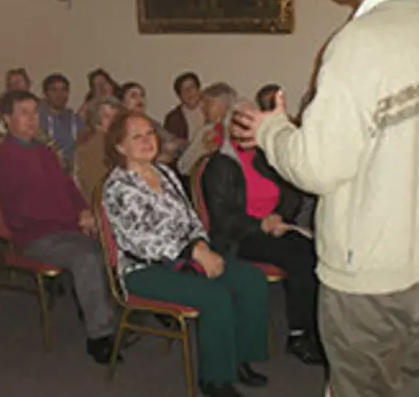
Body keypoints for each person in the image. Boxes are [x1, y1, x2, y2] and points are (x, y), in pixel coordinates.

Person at [232, 0, 419, 395]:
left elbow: (316, 168)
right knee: (407, 385)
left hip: (370, 265)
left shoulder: (359, 43)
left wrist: (271, 130)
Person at [102, 110, 270, 397]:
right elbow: (141, 243)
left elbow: (192, 218)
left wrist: (201, 246)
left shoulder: (165, 173)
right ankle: (214, 380)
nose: (147, 141)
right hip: (144, 270)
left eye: (150, 134)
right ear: (120, 147)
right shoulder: (118, 187)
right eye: (137, 136)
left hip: (188, 255)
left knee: (251, 280)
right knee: (214, 296)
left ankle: (239, 358)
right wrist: (192, 252)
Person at [0, 90, 119, 365]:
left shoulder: (43, 151)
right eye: (24, 113)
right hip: (35, 236)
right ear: (6, 119)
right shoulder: (4, 158)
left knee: (113, 242)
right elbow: (25, 212)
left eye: (35, 113)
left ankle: (103, 306)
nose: (32, 119)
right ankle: (100, 336)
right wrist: (76, 221)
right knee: (87, 257)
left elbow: (68, 189)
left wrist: (86, 211)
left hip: (63, 228)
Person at [201, 101, 324, 366]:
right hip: (240, 237)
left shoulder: (264, 157)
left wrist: (279, 217)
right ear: (229, 128)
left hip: (273, 227)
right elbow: (224, 220)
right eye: (240, 123)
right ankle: (299, 335)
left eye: (250, 122)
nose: (246, 129)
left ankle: (316, 328)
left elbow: (289, 191)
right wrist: (261, 225)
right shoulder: (220, 166)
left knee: (319, 252)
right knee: (302, 258)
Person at [176, 82, 234, 176]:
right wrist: (203, 150)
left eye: (208, 103)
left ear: (224, 105)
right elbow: (182, 167)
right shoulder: (204, 132)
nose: (202, 108)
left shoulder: (241, 131)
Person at [73, 96, 123, 201]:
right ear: (96, 121)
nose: (114, 121)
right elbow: (97, 187)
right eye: (107, 116)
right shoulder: (91, 150)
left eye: (116, 116)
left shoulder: (120, 143)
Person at [38, 73, 85, 166]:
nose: (59, 94)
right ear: (45, 93)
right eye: (54, 90)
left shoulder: (74, 119)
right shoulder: (37, 118)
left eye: (63, 90)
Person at [0, 68, 32, 134]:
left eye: (17, 82)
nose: (15, 87)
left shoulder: (38, 104)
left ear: (28, 84)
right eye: (10, 84)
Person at [163, 71, 205, 141]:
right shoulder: (173, 118)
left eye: (192, 87)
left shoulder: (211, 109)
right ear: (179, 95)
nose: (188, 92)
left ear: (199, 89)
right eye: (184, 89)